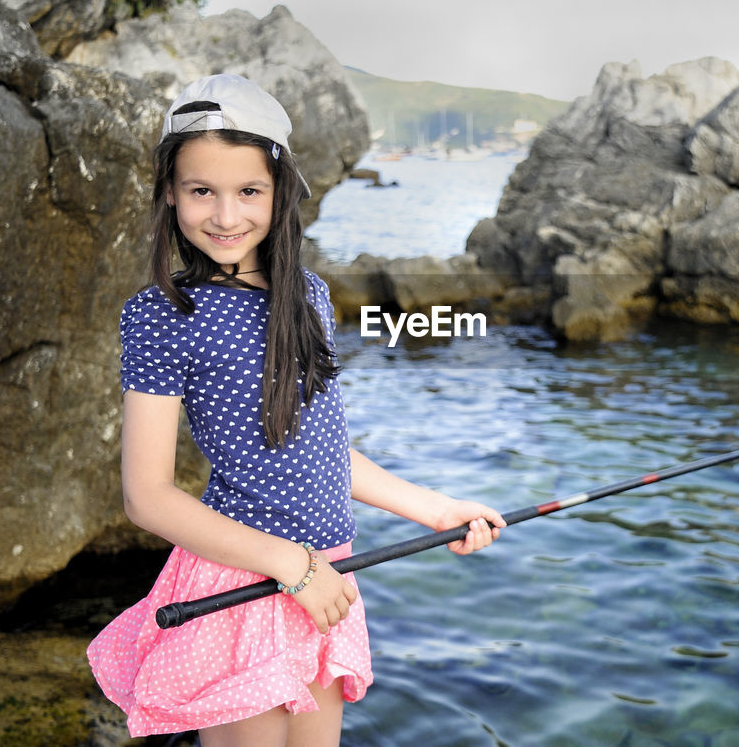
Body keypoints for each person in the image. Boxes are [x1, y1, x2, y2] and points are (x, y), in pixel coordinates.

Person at [87, 74, 505, 747]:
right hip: (245, 581)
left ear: (281, 191)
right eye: (202, 191)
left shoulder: (307, 295)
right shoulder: (163, 315)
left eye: (248, 190)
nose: (225, 216)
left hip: (326, 572)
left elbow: (322, 450)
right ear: (170, 191)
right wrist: (294, 567)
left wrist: (435, 510)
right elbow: (148, 496)